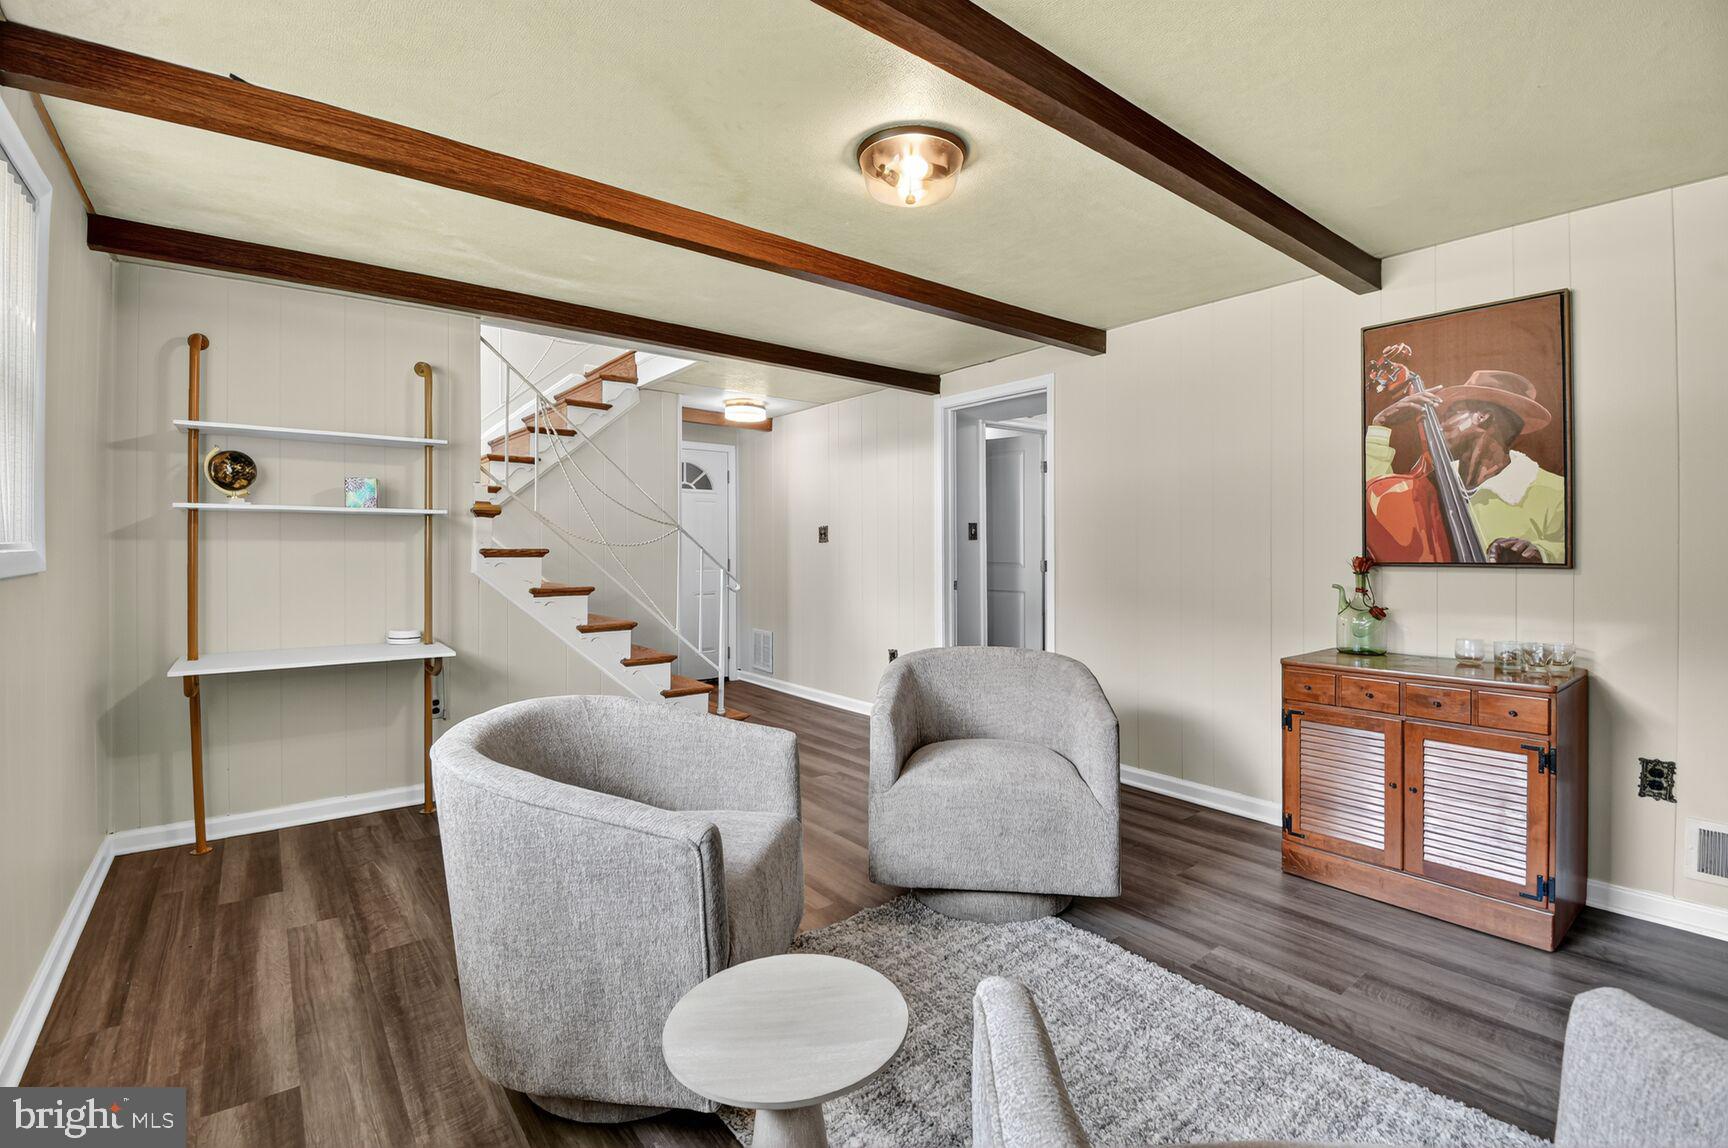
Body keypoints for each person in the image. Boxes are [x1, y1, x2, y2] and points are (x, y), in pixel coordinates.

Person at [1365, 370, 1565, 564]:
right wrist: (1380, 425)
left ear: (1483, 416)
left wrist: (1540, 552)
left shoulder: (1555, 491)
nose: (1438, 424)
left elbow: (1573, 549)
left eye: (1451, 413)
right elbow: (1376, 504)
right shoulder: (1429, 482)